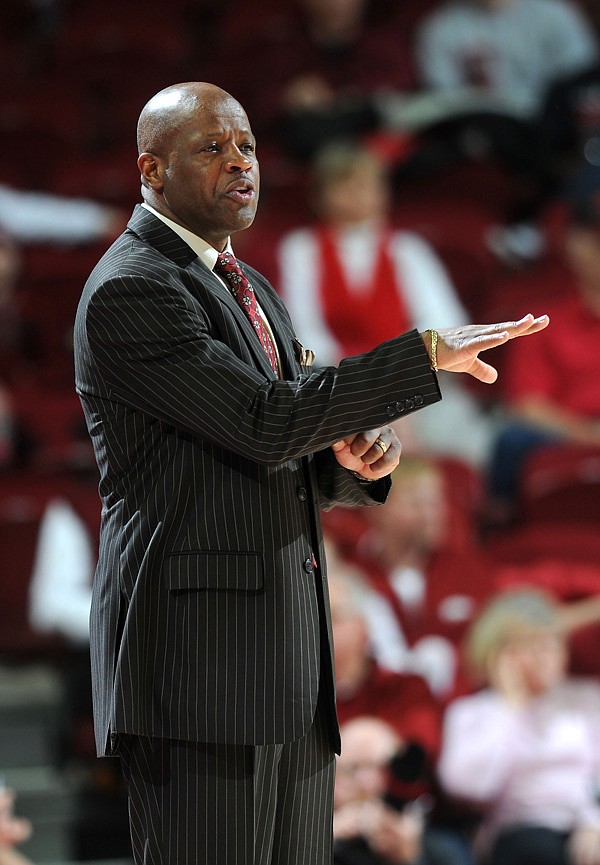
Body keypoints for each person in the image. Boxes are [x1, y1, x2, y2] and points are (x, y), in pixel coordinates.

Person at [73, 80, 548, 864]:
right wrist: (422, 352)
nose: (239, 163)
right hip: (199, 674)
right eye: (211, 147)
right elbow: (265, 423)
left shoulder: (249, 285)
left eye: (248, 145)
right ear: (150, 170)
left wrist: (354, 462)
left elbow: (280, 447)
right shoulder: (134, 289)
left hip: (285, 670)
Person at [277, 142, 495, 466]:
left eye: (368, 185)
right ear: (320, 195)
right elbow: (303, 329)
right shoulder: (300, 250)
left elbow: (443, 321)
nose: (359, 194)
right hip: (336, 386)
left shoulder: (409, 250)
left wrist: (397, 380)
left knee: (472, 440)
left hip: (409, 382)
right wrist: (361, 385)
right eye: (346, 185)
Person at [437, 588, 600, 865]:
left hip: (585, 824)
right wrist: (511, 707)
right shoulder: (474, 712)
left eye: (551, 643)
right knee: (535, 849)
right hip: (520, 831)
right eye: (532, 645)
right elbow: (472, 789)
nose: (546, 655)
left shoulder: (586, 699)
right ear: (498, 655)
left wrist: (594, 823)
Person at [489, 186, 600, 503]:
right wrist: (588, 435)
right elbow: (526, 406)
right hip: (566, 431)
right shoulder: (545, 322)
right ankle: (503, 522)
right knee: (512, 440)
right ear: (576, 245)